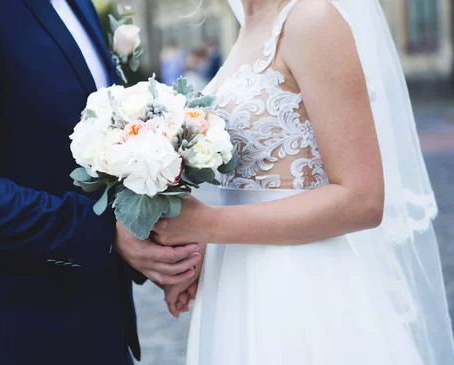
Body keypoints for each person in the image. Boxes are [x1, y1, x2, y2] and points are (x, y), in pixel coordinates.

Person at [0, 0, 200, 364]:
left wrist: (155, 248)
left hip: (97, 326)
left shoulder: (78, 5)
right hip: (6, 334)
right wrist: (104, 233)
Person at [153, 0, 454, 364]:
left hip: (302, 286)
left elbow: (362, 200)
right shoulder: (246, 23)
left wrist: (208, 224)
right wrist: (202, 245)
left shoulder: (312, 17)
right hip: (234, 279)